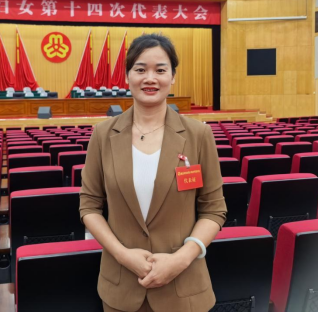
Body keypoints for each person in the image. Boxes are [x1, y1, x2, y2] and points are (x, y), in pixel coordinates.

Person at [80, 34, 227, 312]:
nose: (150, 78)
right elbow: (89, 206)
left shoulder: (198, 135)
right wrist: (123, 255)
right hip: (122, 287)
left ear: (173, 77)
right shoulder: (102, 134)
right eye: (140, 69)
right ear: (127, 76)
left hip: (184, 288)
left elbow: (213, 209)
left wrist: (181, 259)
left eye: (160, 70)